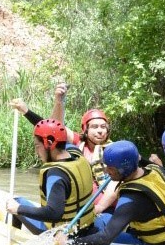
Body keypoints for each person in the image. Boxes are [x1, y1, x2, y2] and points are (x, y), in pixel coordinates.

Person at [10, 83, 116, 213]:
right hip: (81, 207)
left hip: (104, 210)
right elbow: (53, 129)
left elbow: (115, 185)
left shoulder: (114, 151)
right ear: (85, 130)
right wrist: (57, 102)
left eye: (103, 127)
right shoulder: (79, 143)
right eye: (95, 127)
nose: (100, 131)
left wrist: (99, 208)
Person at [63, 140, 165, 245]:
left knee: (95, 232)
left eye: (110, 168)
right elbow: (164, 174)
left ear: (124, 169)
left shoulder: (131, 198)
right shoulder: (156, 170)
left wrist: (69, 243)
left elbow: (105, 238)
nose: (106, 171)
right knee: (103, 218)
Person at [5, 119, 97, 236]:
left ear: (49, 143)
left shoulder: (55, 174)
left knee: (16, 202)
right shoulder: (76, 153)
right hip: (87, 227)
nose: (36, 151)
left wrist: (18, 209)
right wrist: (25, 112)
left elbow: (54, 213)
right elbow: (52, 129)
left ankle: (15, 239)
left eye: (37, 146)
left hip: (61, 234)